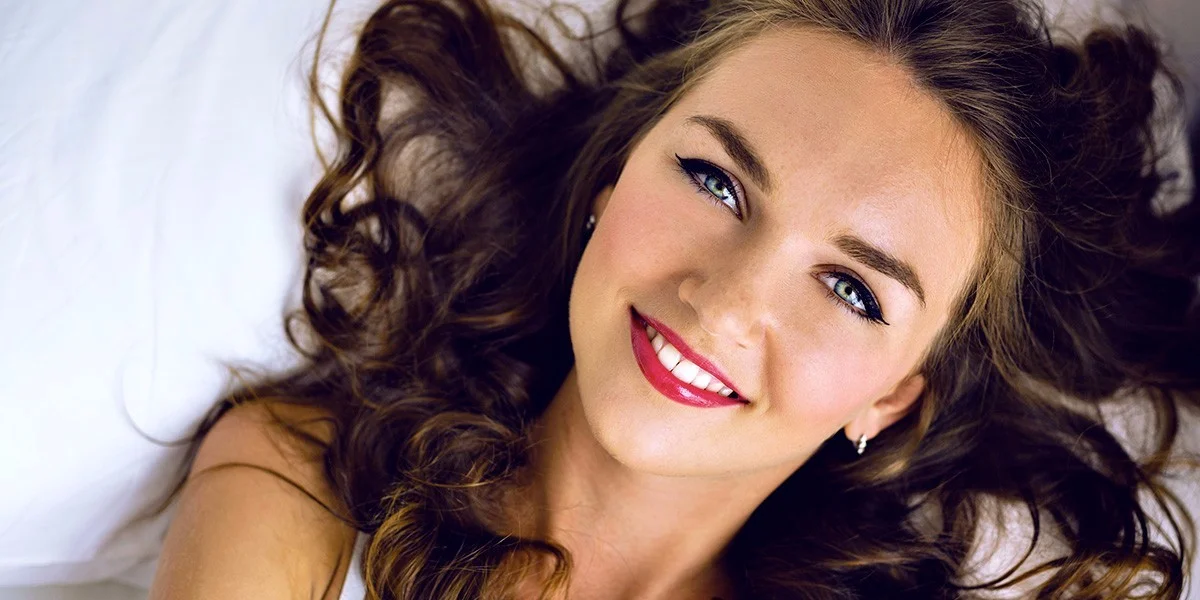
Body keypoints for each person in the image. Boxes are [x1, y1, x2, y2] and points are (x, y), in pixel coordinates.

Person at [149, 0, 1200, 597]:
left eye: (850, 288)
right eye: (715, 182)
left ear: (890, 397)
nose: (726, 301)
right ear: (611, 182)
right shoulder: (303, 483)